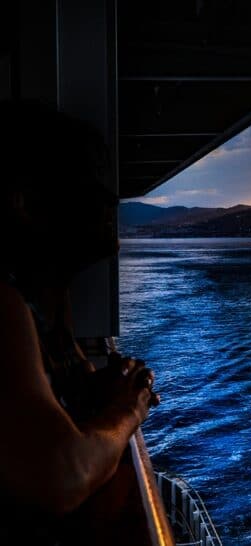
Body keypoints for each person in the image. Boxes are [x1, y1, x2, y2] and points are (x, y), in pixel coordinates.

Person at [0, 100, 158, 543]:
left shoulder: (48, 304)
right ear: (26, 203)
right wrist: (129, 409)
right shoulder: (4, 306)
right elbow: (58, 473)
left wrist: (96, 392)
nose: (111, 202)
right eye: (87, 185)